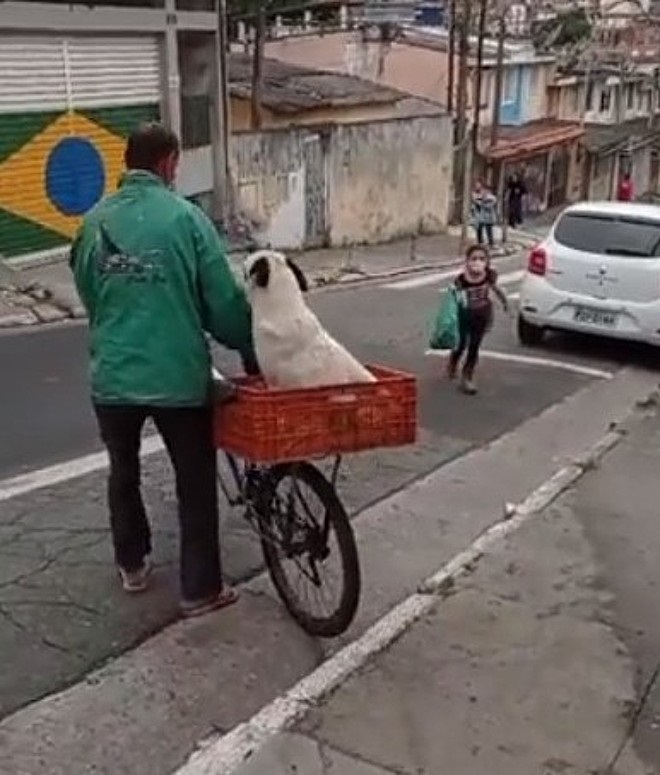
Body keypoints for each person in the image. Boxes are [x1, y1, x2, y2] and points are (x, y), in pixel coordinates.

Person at [70, 122, 259, 618]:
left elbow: (90, 292)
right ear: (168, 163)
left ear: (128, 162)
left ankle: (132, 565)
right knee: (194, 480)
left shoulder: (92, 222)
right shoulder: (186, 218)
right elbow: (221, 301)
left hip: (112, 377)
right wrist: (249, 346)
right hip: (176, 376)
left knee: (123, 471)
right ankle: (200, 589)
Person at [447, 244, 509, 395]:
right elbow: (454, 299)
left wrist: (505, 302)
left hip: (481, 315)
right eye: (474, 259)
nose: (477, 262)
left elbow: (496, 289)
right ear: (467, 261)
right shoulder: (461, 280)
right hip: (464, 316)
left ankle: (467, 377)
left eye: (482, 259)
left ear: (487, 261)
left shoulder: (489, 275)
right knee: (461, 344)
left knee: (474, 346)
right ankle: (453, 362)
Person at [471, 180, 498, 248]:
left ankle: (491, 243)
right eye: (476, 185)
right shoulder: (475, 194)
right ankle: (480, 242)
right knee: (479, 228)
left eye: (479, 185)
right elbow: (476, 202)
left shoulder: (490, 196)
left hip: (488, 215)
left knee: (488, 229)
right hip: (479, 214)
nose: (477, 186)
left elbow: (493, 201)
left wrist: (484, 202)